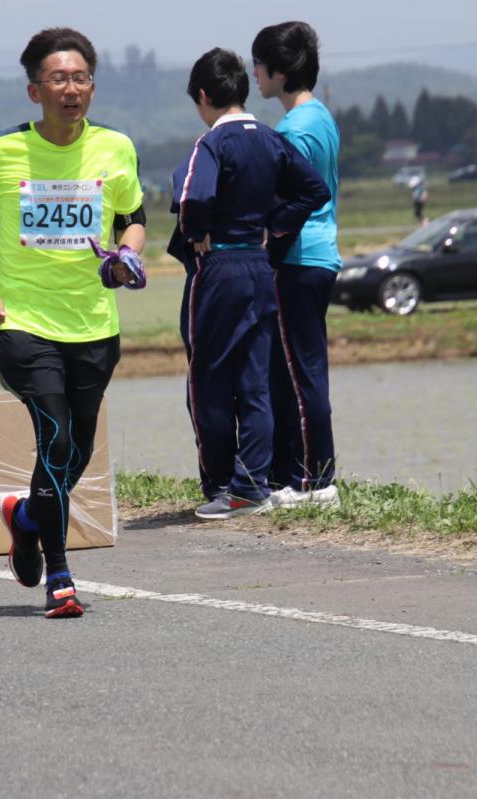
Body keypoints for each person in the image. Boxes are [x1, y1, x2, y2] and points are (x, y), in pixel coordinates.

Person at [0, 27, 147, 618]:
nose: (72, 88)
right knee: (56, 437)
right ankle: (60, 577)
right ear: (34, 90)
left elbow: (132, 219)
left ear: (92, 86)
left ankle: (28, 516)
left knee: (76, 450)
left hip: (93, 324)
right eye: (59, 79)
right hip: (23, 322)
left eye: (81, 77)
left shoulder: (116, 148)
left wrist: (127, 256)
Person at [169, 47, 329, 520]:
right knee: (255, 380)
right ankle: (253, 485)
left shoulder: (210, 145)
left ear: (203, 96)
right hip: (261, 267)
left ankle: (221, 484)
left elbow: (193, 196)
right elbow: (313, 190)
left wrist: (196, 234)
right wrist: (274, 224)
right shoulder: (270, 138)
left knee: (208, 379)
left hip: (218, 271)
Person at [251, 21, 343, 509]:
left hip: (299, 258)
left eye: (260, 66)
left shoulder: (293, 130)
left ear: (281, 72)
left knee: (301, 370)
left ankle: (315, 480)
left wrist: (268, 235)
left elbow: (298, 198)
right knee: (296, 368)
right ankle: (297, 474)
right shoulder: (321, 117)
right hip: (321, 254)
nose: (255, 74)